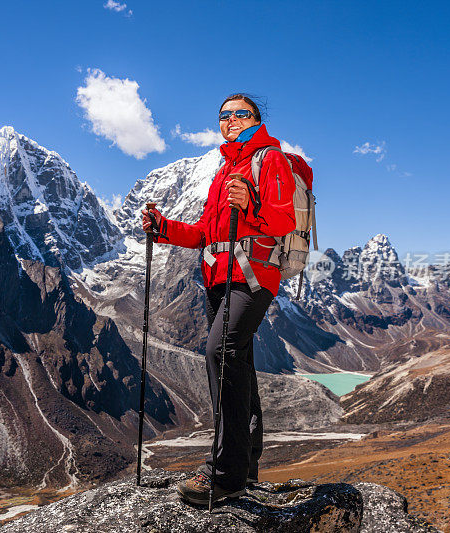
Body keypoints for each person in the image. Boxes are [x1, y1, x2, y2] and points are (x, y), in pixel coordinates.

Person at [141, 94, 295, 506]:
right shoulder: (224, 169)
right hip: (218, 280)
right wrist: (163, 228)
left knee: (221, 352)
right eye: (223, 115)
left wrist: (252, 203)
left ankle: (224, 475)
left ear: (256, 119)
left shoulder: (270, 159)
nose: (230, 120)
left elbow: (284, 220)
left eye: (239, 114)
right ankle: (245, 467)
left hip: (251, 277)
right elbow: (206, 234)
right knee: (238, 362)